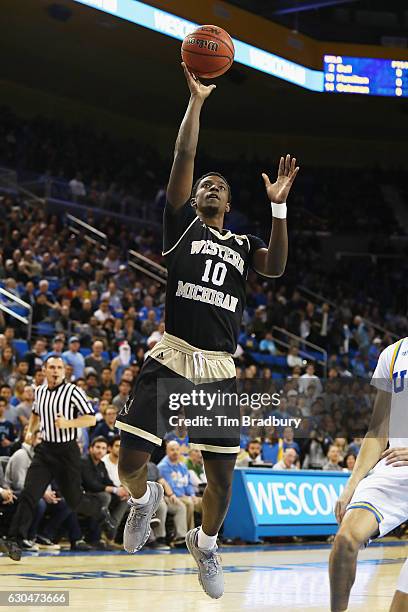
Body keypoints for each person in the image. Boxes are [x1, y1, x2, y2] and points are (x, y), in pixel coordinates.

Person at [115, 62, 298, 600]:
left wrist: (279, 207)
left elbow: (278, 268)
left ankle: (207, 543)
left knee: (220, 481)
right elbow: (184, 158)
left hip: (218, 370)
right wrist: (196, 103)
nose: (210, 186)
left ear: (230, 205)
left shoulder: (243, 245)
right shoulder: (182, 228)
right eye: (205, 186)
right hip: (171, 357)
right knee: (130, 463)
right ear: (194, 200)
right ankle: (145, 501)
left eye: (220, 186)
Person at [329, 338, 408, 612]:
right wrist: (353, 482)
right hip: (396, 467)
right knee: (344, 541)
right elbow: (377, 430)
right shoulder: (395, 353)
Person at [7, 356, 111, 559]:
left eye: (59, 367)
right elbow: (36, 414)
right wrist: (30, 431)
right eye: (52, 367)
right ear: (44, 370)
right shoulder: (40, 391)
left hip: (67, 452)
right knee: (30, 493)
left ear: (64, 371)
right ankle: (14, 540)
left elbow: (90, 418)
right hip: (45, 450)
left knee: (74, 500)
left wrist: (67, 423)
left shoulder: (73, 391)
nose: (55, 371)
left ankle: (100, 511)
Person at [80, 436, 129, 547]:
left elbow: (108, 481)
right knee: (105, 497)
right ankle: (95, 537)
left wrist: (120, 491)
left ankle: (111, 531)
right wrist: (113, 489)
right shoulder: (84, 461)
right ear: (90, 449)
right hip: (84, 494)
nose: (100, 450)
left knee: (125, 499)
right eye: (97, 447)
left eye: (103, 448)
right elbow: (90, 484)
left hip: (97, 494)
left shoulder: (101, 464)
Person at [158, 441, 202, 532]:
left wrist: (192, 495)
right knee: (189, 504)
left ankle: (208, 534)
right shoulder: (163, 467)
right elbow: (170, 487)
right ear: (167, 451)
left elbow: (188, 483)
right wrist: (186, 497)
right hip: (170, 497)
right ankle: (189, 534)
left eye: (177, 449)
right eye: (172, 450)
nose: (175, 452)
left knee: (205, 503)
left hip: (184, 496)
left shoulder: (182, 466)